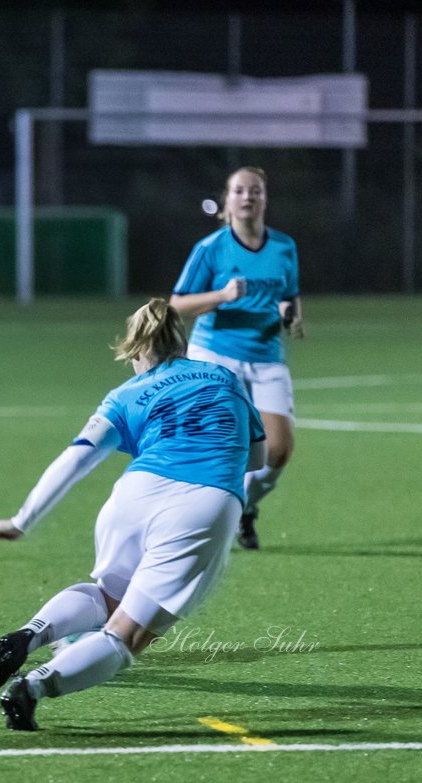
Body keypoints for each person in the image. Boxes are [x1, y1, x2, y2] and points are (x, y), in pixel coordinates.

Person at [0, 298, 265, 730]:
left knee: (108, 596)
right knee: (126, 635)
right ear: (180, 343)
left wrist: (21, 521)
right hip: (203, 506)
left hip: (133, 495)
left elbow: (75, 460)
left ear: (135, 351)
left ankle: (28, 635)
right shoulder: (225, 377)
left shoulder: (125, 394)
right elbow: (256, 456)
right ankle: (30, 688)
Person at [170, 166, 303, 550]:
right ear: (227, 200)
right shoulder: (210, 249)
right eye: (240, 191)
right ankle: (195, 523)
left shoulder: (284, 247)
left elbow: (289, 295)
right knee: (224, 445)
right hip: (215, 355)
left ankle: (242, 507)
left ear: (264, 199)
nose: (248, 197)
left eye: (255, 191)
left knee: (277, 451)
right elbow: (176, 305)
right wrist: (222, 297)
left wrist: (291, 315)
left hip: (266, 356)